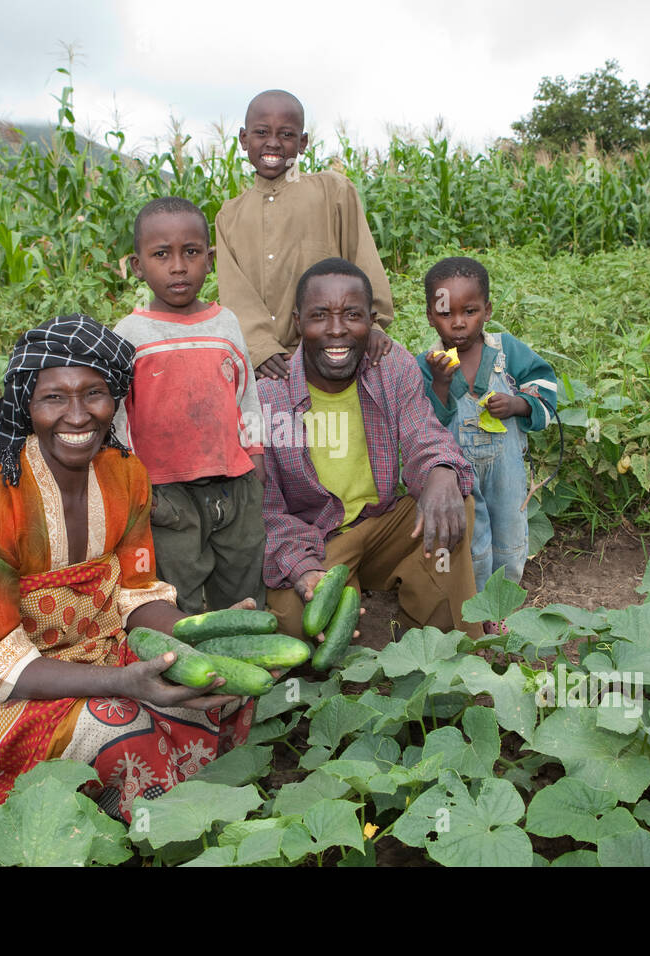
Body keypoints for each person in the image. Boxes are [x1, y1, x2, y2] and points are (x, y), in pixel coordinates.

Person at [0, 315, 253, 823]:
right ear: (28, 405)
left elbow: (136, 593)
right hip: (9, 686)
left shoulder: (126, 473)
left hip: (103, 650)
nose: (77, 415)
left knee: (225, 690)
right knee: (120, 729)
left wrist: (201, 632)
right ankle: (118, 826)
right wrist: (125, 684)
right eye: (54, 398)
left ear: (115, 399)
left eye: (94, 394)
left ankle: (162, 813)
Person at [259, 257, 482, 643]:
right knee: (299, 627)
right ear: (298, 322)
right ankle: (343, 591)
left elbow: (422, 435)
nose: (336, 330)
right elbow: (267, 510)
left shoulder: (390, 368)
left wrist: (441, 470)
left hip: (381, 524)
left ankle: (431, 636)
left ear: (371, 319)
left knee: (451, 498)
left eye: (351, 315)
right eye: (319, 316)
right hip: (315, 539)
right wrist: (303, 569)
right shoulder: (267, 397)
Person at [112, 196, 266, 613]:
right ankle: (193, 670)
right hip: (165, 492)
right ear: (139, 265)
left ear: (209, 259)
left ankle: (251, 662)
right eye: (161, 254)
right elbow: (118, 419)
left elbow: (246, 394)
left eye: (192, 252)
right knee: (181, 590)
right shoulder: (130, 334)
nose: (178, 266)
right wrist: (136, 488)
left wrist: (256, 455)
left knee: (244, 580)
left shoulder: (225, 323)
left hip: (234, 483)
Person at [216, 89, 395, 381]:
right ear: (244, 139)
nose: (273, 143)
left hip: (337, 351)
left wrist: (374, 324)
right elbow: (236, 294)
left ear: (302, 143)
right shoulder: (229, 216)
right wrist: (261, 348)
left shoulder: (333, 191)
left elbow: (363, 259)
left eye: (286, 135)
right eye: (261, 132)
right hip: (269, 367)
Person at [418, 256, 558, 591]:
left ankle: (504, 599)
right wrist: (439, 383)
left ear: (488, 310)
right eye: (446, 313)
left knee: (510, 531)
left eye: (470, 311)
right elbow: (425, 426)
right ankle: (477, 604)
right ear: (429, 317)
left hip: (506, 471)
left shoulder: (507, 352)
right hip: (457, 475)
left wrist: (518, 404)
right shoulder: (427, 365)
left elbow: (547, 389)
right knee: (472, 538)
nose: (459, 323)